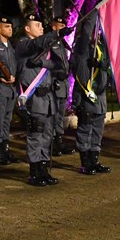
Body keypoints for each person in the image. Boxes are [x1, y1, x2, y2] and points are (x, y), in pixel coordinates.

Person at [16, 13, 70, 185]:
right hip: (34, 97)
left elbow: (59, 66)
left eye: (41, 25)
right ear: (27, 28)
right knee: (35, 135)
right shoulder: (24, 44)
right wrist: (56, 34)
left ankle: (44, 169)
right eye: (37, 25)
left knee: (47, 135)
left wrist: (43, 63)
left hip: (49, 98)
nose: (41, 28)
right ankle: (34, 171)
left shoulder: (45, 49)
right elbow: (35, 44)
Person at [71, 11, 112, 174]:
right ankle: (85, 162)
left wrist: (102, 65)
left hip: (100, 97)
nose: (98, 32)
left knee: (97, 130)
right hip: (87, 96)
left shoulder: (101, 48)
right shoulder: (82, 48)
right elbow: (87, 30)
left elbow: (109, 64)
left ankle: (94, 159)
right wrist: (97, 10)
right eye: (96, 29)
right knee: (85, 130)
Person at [0, 16, 19, 165]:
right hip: (0, 88)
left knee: (7, 121)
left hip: (11, 89)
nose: (10, 29)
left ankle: (5, 149)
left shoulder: (10, 47)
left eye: (11, 27)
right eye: (6, 27)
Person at [50, 16, 74, 156]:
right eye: (60, 26)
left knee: (60, 115)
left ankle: (59, 140)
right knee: (54, 115)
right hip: (55, 83)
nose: (63, 28)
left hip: (63, 84)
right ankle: (53, 142)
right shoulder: (50, 42)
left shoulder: (61, 43)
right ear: (54, 27)